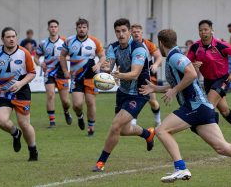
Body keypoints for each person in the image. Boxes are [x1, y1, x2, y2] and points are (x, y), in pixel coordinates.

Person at [139, 29, 231, 186]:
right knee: (222, 147)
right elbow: (181, 80)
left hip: (195, 105)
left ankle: (180, 167)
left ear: (161, 43)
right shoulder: (176, 55)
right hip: (202, 107)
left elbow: (191, 75)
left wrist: (174, 91)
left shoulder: (175, 56)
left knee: (162, 130)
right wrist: (155, 88)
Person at [92, 18, 155, 172]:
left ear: (129, 32)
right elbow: (109, 66)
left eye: (124, 31)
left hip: (139, 93)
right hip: (123, 92)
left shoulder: (139, 48)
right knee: (124, 130)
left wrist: (116, 75)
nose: (121, 34)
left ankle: (100, 162)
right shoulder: (113, 47)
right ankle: (148, 134)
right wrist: (105, 69)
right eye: (118, 31)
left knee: (115, 126)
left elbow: (134, 74)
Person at [187, 20, 231, 147]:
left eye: (206, 29)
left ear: (211, 30)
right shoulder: (195, 47)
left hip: (222, 80)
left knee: (209, 107)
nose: (203, 32)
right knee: (225, 111)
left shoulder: (220, 45)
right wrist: (192, 65)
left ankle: (218, 141)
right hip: (208, 82)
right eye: (201, 30)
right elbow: (186, 64)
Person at [0, 27, 38, 161]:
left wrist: (20, 84)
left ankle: (33, 150)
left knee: (24, 124)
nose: (11, 39)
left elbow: (32, 73)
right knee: (0, 120)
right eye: (8, 37)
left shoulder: (24, 53)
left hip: (22, 92)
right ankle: (15, 133)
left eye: (13, 36)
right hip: (4, 92)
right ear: (2, 39)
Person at [60, 18, 105, 136]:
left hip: (91, 76)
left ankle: (91, 128)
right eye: (79, 27)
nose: (82, 29)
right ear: (76, 28)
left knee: (90, 102)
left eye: (84, 27)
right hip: (76, 77)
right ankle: (80, 116)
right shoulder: (69, 41)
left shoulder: (94, 41)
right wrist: (65, 70)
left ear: (87, 29)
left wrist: (99, 64)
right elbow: (62, 56)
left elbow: (102, 56)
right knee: (77, 105)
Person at [34, 19, 72, 128]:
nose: (53, 28)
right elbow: (36, 57)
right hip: (49, 73)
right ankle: (52, 122)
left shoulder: (65, 42)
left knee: (66, 101)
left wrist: (67, 58)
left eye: (55, 26)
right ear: (48, 29)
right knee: (50, 95)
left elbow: (71, 55)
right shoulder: (43, 43)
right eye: (51, 27)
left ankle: (66, 112)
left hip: (62, 73)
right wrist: (40, 63)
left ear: (58, 28)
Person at [131, 23, 162, 127]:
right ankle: (133, 120)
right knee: (133, 97)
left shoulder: (148, 44)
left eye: (138, 32)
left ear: (142, 33)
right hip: (133, 75)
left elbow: (159, 57)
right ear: (131, 33)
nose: (136, 34)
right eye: (134, 32)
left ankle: (158, 120)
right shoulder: (128, 44)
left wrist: (156, 64)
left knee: (152, 101)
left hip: (147, 76)